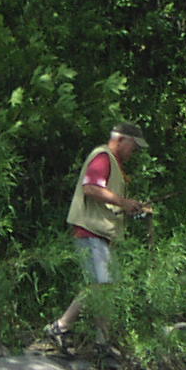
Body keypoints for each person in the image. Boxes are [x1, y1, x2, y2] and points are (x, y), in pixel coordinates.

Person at [46, 122, 153, 346]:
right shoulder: (103, 157)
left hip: (101, 235)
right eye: (133, 145)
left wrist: (133, 208)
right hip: (90, 232)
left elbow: (109, 201)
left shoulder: (113, 163)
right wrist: (124, 202)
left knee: (107, 286)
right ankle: (60, 327)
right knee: (99, 285)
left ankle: (103, 341)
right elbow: (91, 188)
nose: (134, 151)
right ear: (121, 139)